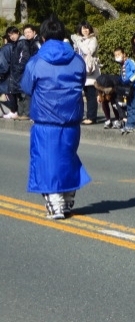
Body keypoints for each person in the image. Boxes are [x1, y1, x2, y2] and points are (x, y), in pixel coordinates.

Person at [20, 14, 91, 219]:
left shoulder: (37, 61)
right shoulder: (76, 60)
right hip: (71, 118)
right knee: (67, 157)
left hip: (45, 119)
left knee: (46, 161)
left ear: (42, 37)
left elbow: (26, 86)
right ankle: (67, 196)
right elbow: (82, 80)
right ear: (62, 35)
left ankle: (55, 202)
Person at [71, 21, 100, 125]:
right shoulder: (79, 40)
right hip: (80, 70)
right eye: (83, 28)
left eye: (87, 28)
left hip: (90, 71)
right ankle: (81, 115)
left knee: (91, 95)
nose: (85, 30)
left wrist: (79, 42)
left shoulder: (93, 39)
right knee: (80, 95)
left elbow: (89, 52)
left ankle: (92, 117)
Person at [114, 47, 135, 134]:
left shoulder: (129, 62)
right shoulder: (122, 64)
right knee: (128, 106)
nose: (117, 56)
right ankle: (129, 124)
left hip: (134, 87)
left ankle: (133, 125)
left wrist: (130, 80)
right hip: (127, 88)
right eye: (115, 55)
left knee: (134, 106)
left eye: (119, 54)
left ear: (124, 54)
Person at [19, 24, 41, 120]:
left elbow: (40, 55)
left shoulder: (37, 42)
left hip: (37, 70)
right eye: (25, 33)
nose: (27, 34)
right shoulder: (29, 42)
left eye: (29, 32)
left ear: (34, 32)